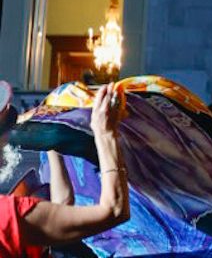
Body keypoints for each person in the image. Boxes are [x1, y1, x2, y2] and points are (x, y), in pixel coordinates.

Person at [2, 82, 128, 255]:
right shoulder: (8, 215)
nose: (6, 140)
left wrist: (53, 145)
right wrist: (105, 133)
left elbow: (61, 204)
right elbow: (114, 210)